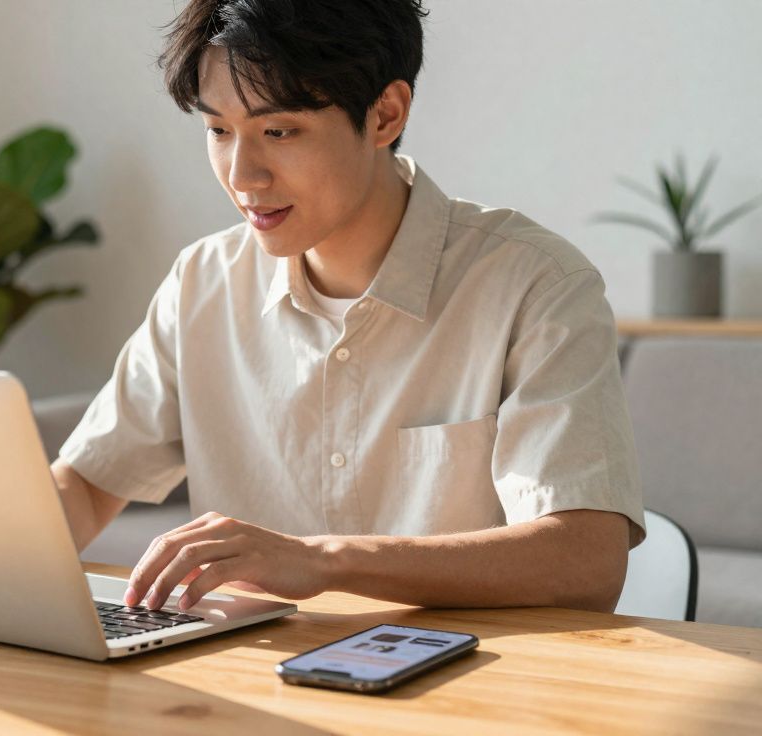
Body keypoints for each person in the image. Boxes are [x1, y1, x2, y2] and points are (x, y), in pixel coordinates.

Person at [52, 0, 645, 614]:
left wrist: (324, 561)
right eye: (219, 131)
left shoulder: (534, 282)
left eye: (278, 132)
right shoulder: (203, 280)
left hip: (466, 678)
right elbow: (87, 485)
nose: (243, 175)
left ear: (385, 114)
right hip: (247, 672)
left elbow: (586, 558)